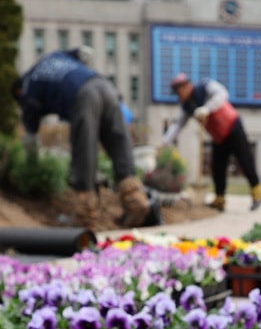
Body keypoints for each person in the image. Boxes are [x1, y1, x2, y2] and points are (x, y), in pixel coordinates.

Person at [13, 47, 160, 230]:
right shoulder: (51, 57)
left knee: (85, 148)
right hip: (104, 85)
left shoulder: (29, 89)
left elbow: (30, 137)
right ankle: (135, 200)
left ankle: (85, 211)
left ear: (18, 92)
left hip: (83, 96)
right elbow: (85, 52)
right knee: (118, 142)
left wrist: (31, 164)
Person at [163, 73, 261, 211]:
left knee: (245, 161)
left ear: (186, 86)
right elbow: (177, 125)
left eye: (178, 91)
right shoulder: (187, 106)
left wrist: (207, 108)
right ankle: (219, 199)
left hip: (233, 127)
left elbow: (223, 94)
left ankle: (257, 192)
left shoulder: (205, 87)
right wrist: (164, 143)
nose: (178, 95)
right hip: (218, 137)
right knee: (217, 168)